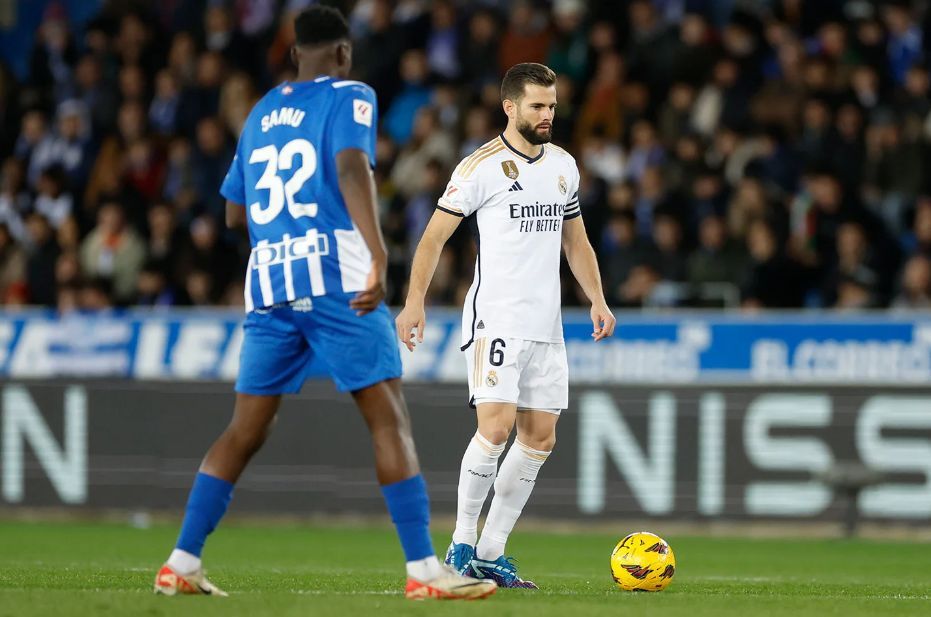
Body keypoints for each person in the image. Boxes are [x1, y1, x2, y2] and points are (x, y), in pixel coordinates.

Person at [154, 6, 496, 601]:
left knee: (244, 428)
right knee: (388, 417)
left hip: (270, 285)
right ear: (342, 53)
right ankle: (424, 571)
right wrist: (378, 252)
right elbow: (351, 167)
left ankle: (181, 561)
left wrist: (282, 235)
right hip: (337, 279)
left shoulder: (260, 112)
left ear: (293, 54)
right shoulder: (350, 95)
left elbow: (234, 212)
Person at [395, 62, 616, 589]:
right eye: (538, 106)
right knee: (495, 429)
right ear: (510, 107)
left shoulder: (563, 166)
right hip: (496, 319)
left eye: (552, 105)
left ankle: (490, 552)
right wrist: (413, 302)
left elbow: (575, 240)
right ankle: (460, 546)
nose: (547, 115)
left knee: (540, 438)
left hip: (547, 326)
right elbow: (432, 238)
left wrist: (598, 298)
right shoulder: (480, 167)